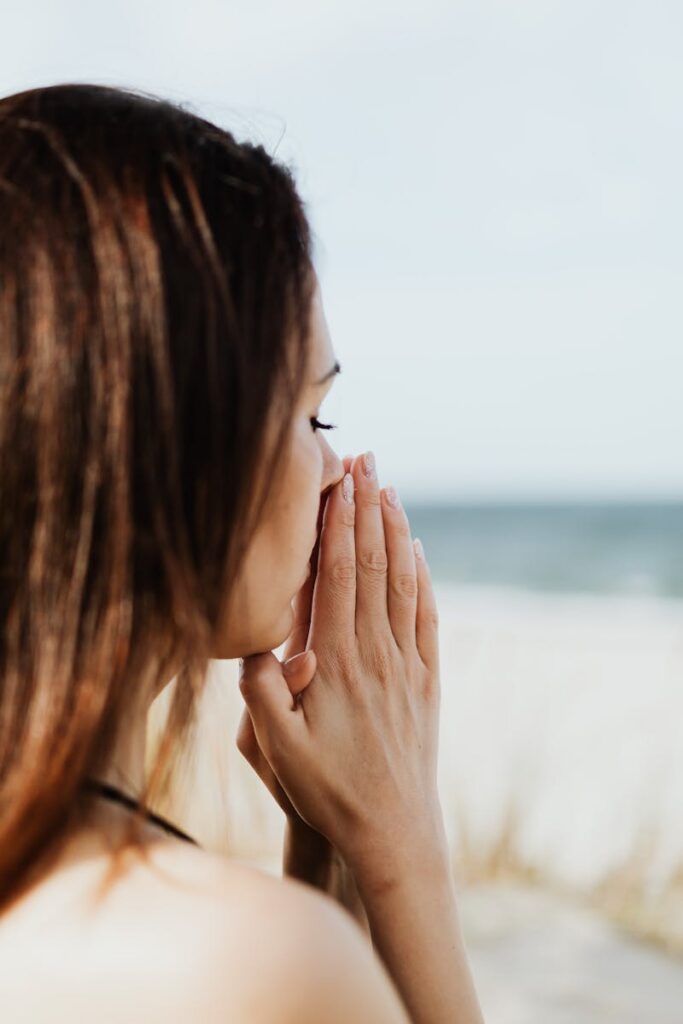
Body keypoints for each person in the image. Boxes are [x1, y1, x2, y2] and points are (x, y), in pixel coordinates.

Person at [0, 82, 484, 1023]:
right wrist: (404, 856)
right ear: (174, 441)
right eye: (312, 413)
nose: (335, 468)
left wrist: (329, 853)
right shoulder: (246, 967)